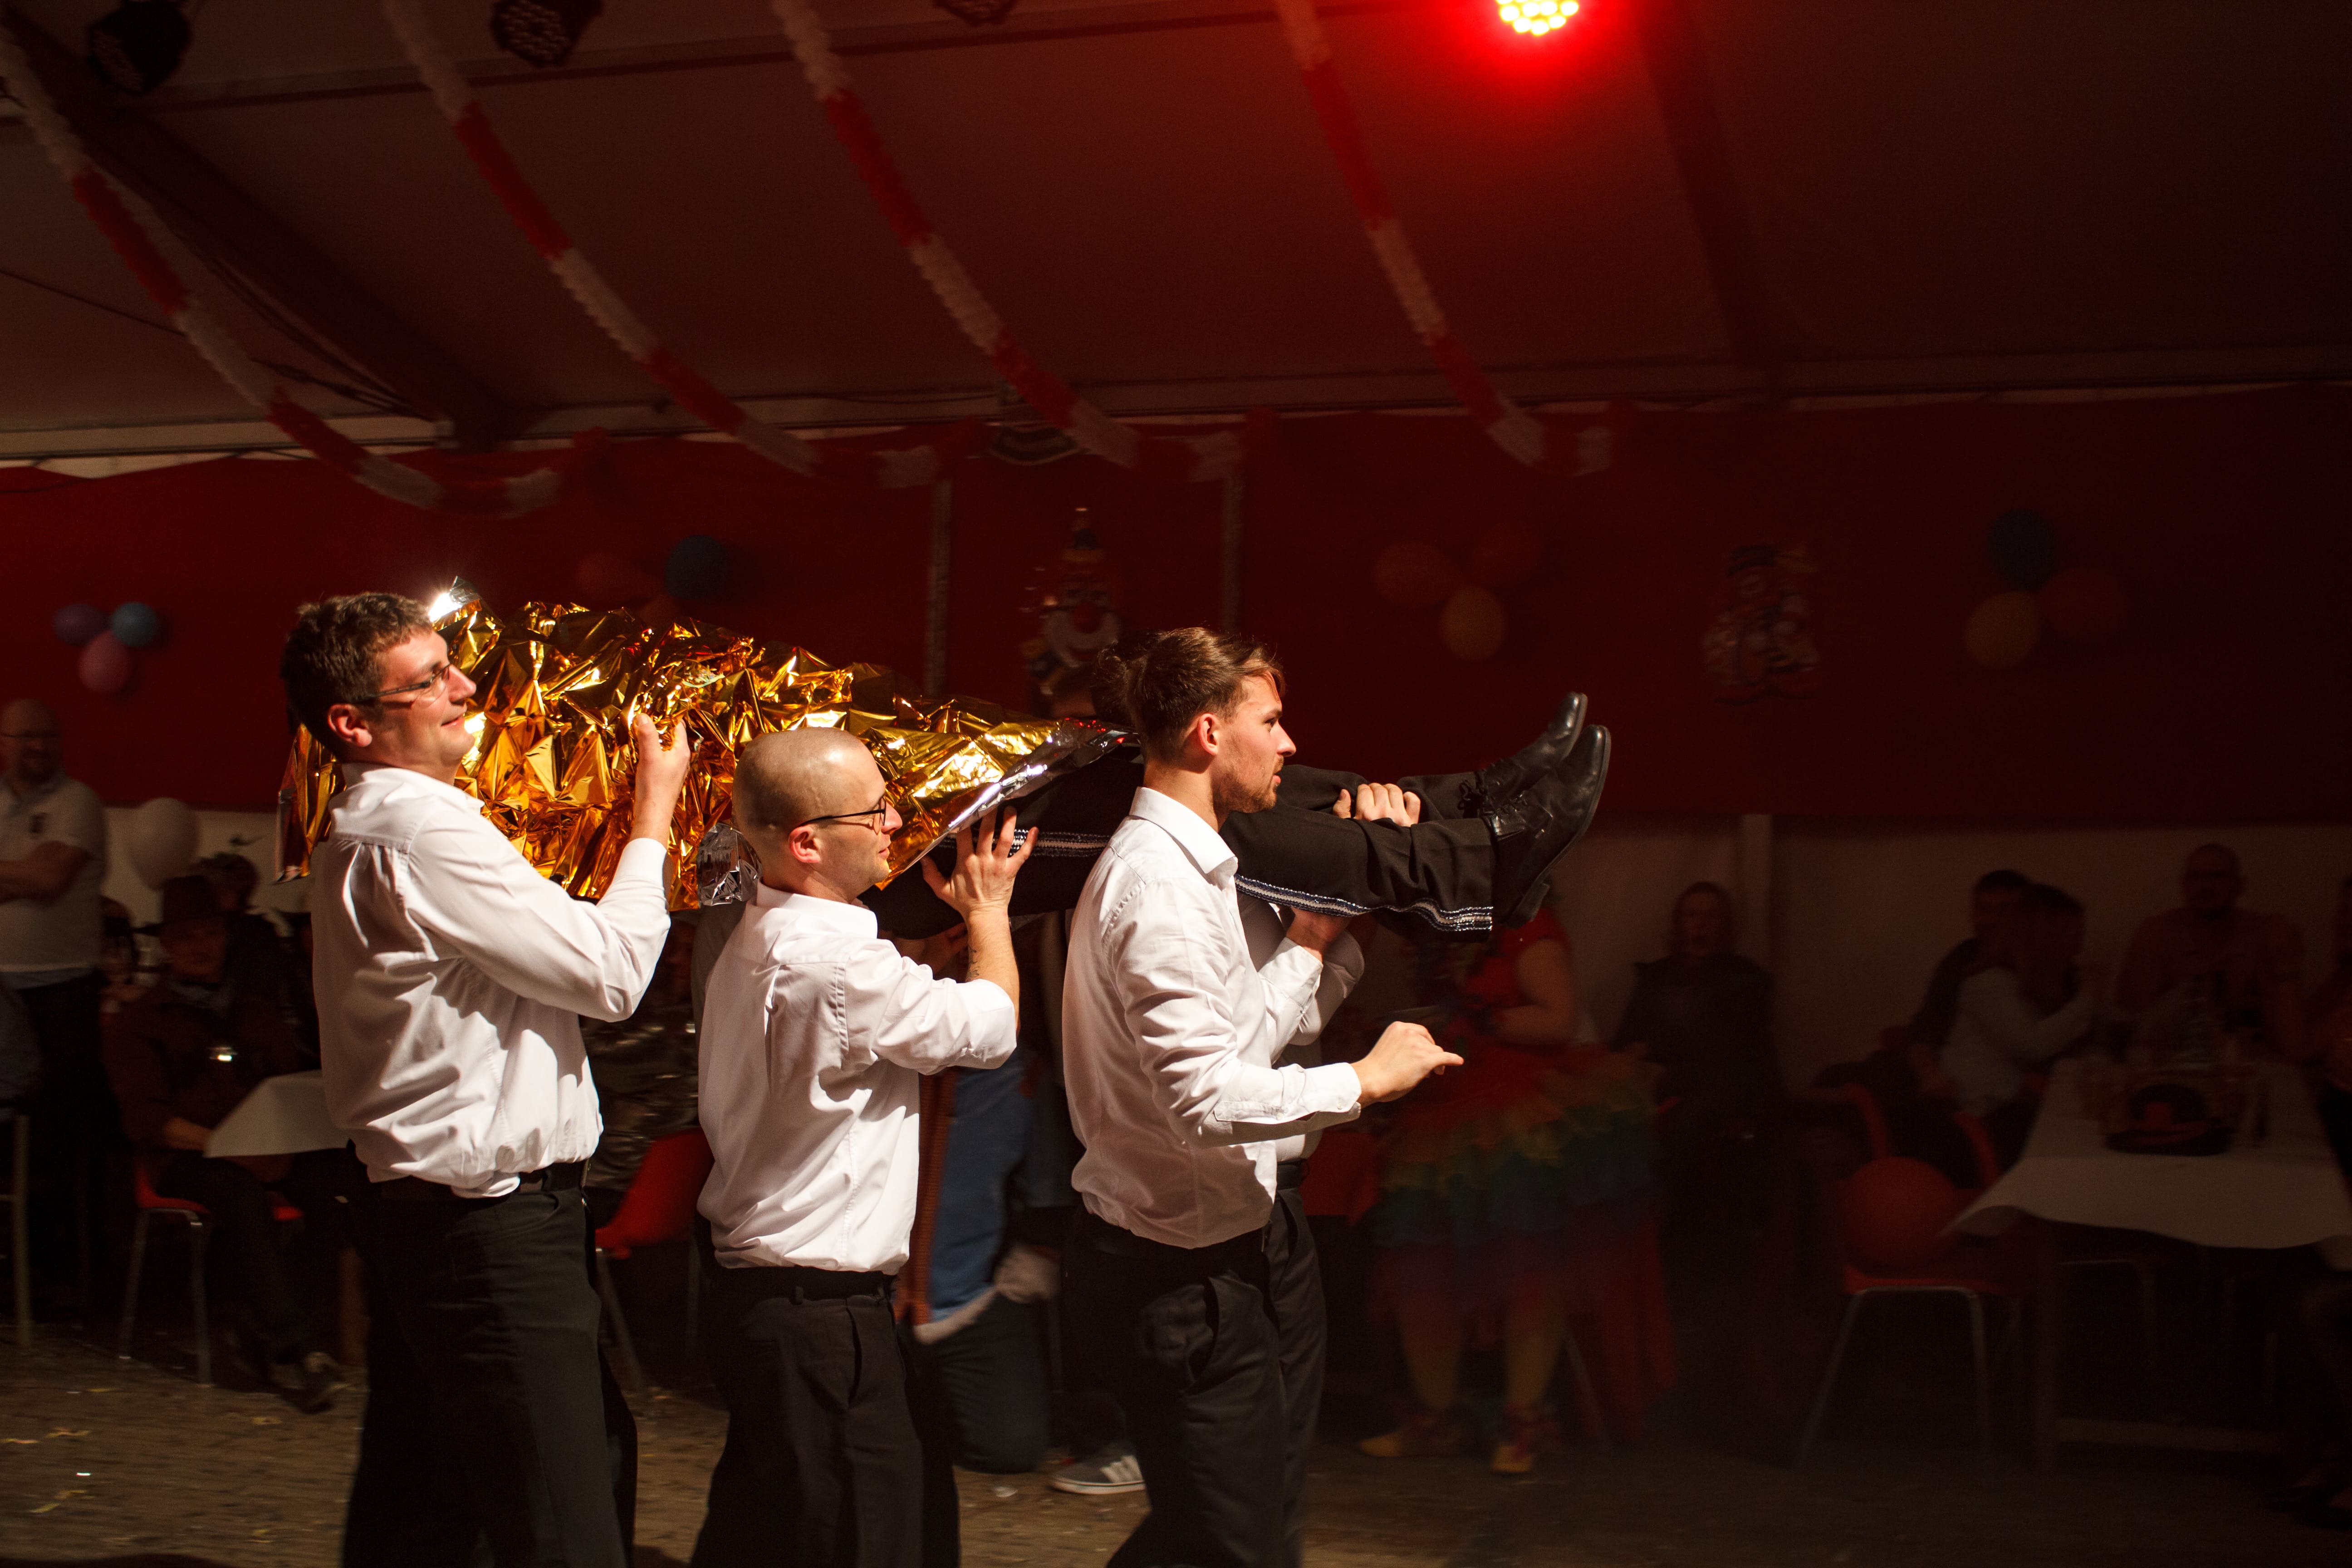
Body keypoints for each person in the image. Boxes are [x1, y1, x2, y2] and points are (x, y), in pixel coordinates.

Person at [283, 592, 691, 1568]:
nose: (466, 687)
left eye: (450, 665)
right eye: (429, 681)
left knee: (433, 1506)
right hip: (484, 1227)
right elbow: (612, 976)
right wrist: (654, 815)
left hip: (447, 1219)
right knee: (562, 1515)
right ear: (352, 723)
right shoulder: (419, 830)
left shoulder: (386, 820)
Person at [1060, 627, 1461, 1568]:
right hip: (1174, 1272)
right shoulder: (1159, 887)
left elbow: (1242, 1040)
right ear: (1208, 733)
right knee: (1233, 1543)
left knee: (1235, 1531)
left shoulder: (1193, 868)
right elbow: (1203, 1098)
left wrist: (1319, 938)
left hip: (1219, 1258)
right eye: (1271, 722)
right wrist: (1363, 1080)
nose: (1289, 744)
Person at [691, 729, 1028, 1568]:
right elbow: (990, 1029)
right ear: (806, 843)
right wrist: (989, 914)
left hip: (770, 1302)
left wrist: (917, 960)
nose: (895, 823)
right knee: (861, 1538)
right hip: (818, 1313)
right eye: (874, 811)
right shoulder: (838, 963)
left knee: (768, 1534)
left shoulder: (759, 934)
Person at [865, 690, 1609, 941]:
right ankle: (1476, 859)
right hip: (900, 858)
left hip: (931, 791)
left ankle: (1465, 808)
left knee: (1181, 775)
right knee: (1176, 800)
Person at [1359, 906, 1671, 1472]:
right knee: (1423, 1273)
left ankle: (1522, 1424)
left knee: (1529, 1272)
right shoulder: (1443, 929)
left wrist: (1475, 1019)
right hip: (1443, 1116)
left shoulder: (1530, 928)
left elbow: (1559, 1019)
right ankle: (1435, 1419)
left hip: (1516, 1117)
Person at [102, 876, 346, 1410]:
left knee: (337, 1187)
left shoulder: (254, 1007)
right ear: (167, 945)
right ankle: (297, 1348)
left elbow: (288, 1084)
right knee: (240, 1195)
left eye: (210, 933)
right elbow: (149, 1121)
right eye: (187, 936)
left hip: (264, 1147)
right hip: (186, 1155)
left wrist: (277, 1145)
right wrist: (230, 1145)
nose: (201, 946)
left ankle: (305, 1327)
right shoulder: (141, 1022)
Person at [0, 696, 113, 1311]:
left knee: (60, 1139)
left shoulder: (77, 802)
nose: (38, 748)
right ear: (4, 743)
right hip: (3, 996)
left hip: (63, 993)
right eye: (26, 738)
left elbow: (49, 880)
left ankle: (66, 1275)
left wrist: (24, 876)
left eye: (48, 736)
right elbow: (32, 876)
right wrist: (20, 872)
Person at [1939, 882, 2104, 1162]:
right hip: (1981, 1125)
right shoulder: (1990, 985)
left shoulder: (2027, 984)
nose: (2077, 948)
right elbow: (2031, 1045)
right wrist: (2087, 998)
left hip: (2007, 1113)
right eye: (2071, 938)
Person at [2118, 844, 2300, 1049]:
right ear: (2184, 885)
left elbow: (2281, 1033)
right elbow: (2133, 1021)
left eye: (2217, 877)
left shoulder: (2261, 935)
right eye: (2196, 877)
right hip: (2171, 1058)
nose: (2205, 886)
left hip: (2244, 1058)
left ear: (2239, 885)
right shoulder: (2156, 933)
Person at [1909, 869, 2031, 1052]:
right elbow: (1928, 1024)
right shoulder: (1963, 956)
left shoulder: (2040, 961)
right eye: (1984, 910)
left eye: (2005, 910)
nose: (1993, 920)